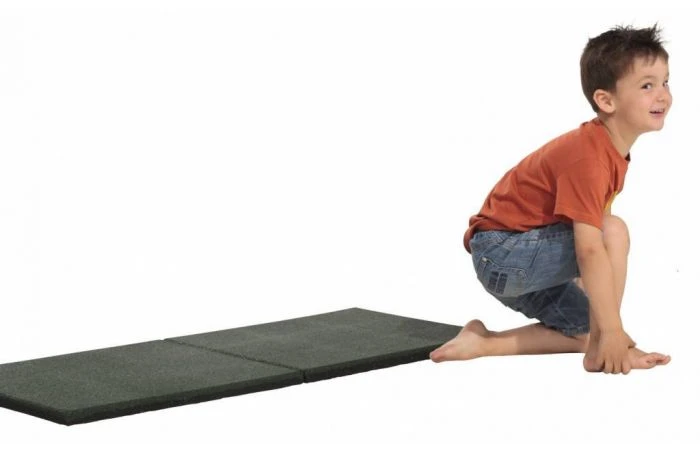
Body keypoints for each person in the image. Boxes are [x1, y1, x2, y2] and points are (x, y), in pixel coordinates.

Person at [430, 24, 672, 374]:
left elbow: (590, 248)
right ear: (606, 100)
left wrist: (603, 323)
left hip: (518, 260)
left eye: (665, 82)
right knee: (614, 231)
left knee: (584, 327)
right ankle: (606, 345)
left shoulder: (609, 151)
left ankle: (482, 342)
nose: (662, 95)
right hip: (503, 253)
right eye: (647, 86)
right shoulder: (589, 157)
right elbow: (591, 249)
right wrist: (614, 333)